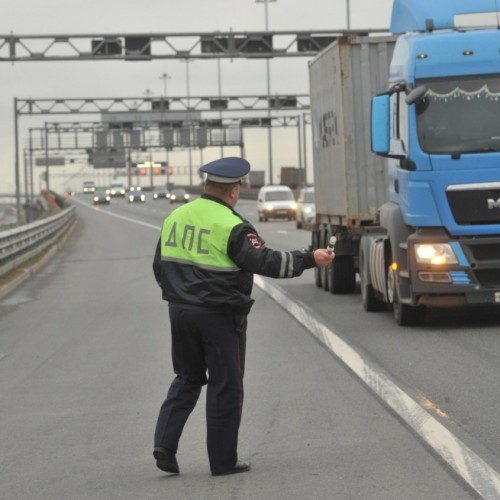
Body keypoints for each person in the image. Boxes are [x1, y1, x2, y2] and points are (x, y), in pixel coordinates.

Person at [152, 157, 334, 476]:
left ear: (207, 186)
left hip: (179, 312)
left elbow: (159, 266)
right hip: (219, 316)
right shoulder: (232, 225)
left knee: (187, 377)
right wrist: (310, 259)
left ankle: (164, 445)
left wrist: (181, 296)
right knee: (226, 385)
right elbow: (267, 263)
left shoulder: (175, 217)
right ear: (234, 191)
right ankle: (222, 461)